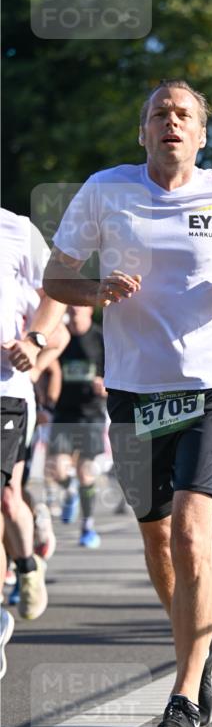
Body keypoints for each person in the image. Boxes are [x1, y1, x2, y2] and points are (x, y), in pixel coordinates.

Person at [42, 80, 212, 727]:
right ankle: (198, 650)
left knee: (191, 531)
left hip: (209, 385)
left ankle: (184, 694)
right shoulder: (104, 191)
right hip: (136, 389)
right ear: (142, 132)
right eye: (158, 114)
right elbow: (57, 279)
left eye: (183, 115)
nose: (169, 122)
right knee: (156, 534)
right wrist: (97, 287)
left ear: (200, 134)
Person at [1, 207, 68, 676]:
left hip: (5, 393)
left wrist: (35, 341)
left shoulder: (16, 230)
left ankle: (25, 567)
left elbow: (58, 295)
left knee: (6, 497)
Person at [47, 306, 106, 548]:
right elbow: (47, 369)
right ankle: (69, 490)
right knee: (58, 469)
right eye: (69, 307)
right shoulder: (60, 336)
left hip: (91, 413)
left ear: (90, 310)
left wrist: (105, 384)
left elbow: (117, 367)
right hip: (63, 412)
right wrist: (45, 399)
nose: (73, 311)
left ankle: (87, 526)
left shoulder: (100, 337)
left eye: (78, 307)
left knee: (86, 471)